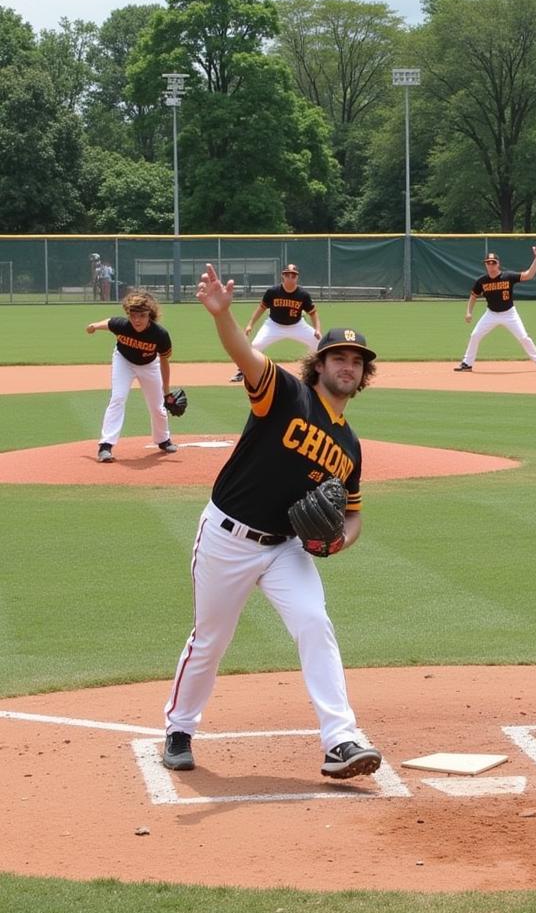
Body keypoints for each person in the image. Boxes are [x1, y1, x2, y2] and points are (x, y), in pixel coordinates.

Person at [162, 263, 382, 782]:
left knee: (314, 623)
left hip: (287, 548)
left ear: (363, 375)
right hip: (227, 534)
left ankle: (340, 739)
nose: (347, 366)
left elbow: (353, 515)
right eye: (338, 357)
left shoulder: (350, 446)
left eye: (356, 361)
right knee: (211, 639)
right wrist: (223, 316)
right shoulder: (285, 393)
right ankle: (179, 728)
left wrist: (337, 544)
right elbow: (246, 354)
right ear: (319, 363)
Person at [86, 290, 177, 463]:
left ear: (150, 315)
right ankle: (105, 446)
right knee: (118, 398)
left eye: (142, 315)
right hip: (124, 361)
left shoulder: (160, 335)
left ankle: (163, 440)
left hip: (150, 365)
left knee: (157, 405)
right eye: (133, 315)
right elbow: (108, 323)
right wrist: (94, 326)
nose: (137, 320)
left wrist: (166, 391)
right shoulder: (122, 325)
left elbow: (164, 361)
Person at [453, 248, 536, 372]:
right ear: (485, 264)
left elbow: (529, 275)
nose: (490, 265)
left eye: (493, 262)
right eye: (488, 262)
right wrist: (469, 311)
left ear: (498, 263)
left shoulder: (508, 276)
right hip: (491, 314)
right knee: (475, 335)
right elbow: (474, 295)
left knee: (523, 337)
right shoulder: (482, 281)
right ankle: (467, 364)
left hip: (509, 314)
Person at [229, 263, 321, 382]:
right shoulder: (273, 292)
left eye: (293, 275)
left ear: (297, 277)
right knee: (256, 345)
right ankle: (242, 372)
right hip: (273, 325)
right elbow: (261, 308)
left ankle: (316, 371)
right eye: (288, 275)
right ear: (283, 276)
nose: (290, 277)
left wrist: (317, 329)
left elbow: (313, 313)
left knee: (319, 342)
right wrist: (250, 324)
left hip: (297, 326)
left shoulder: (303, 295)